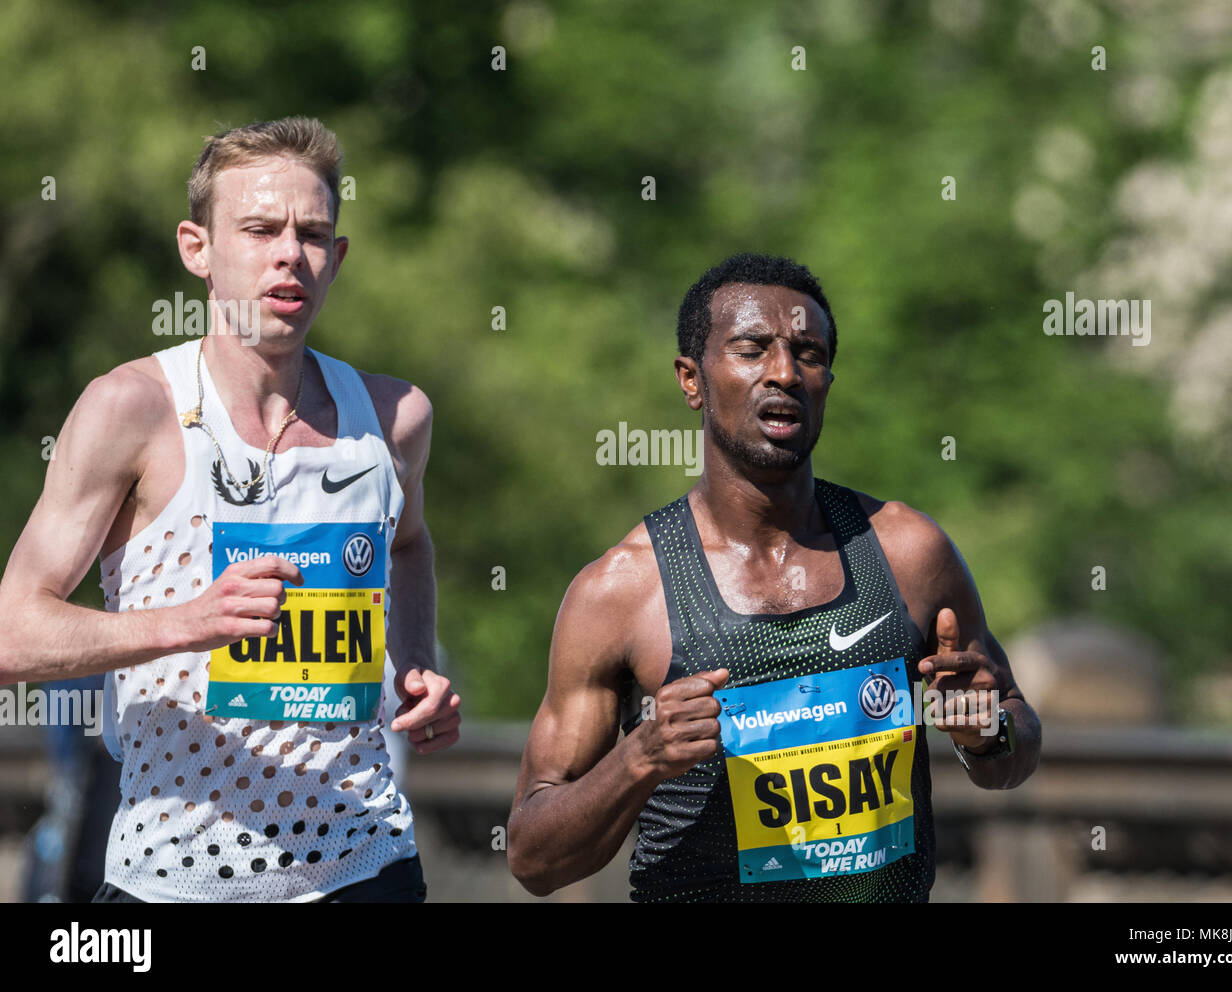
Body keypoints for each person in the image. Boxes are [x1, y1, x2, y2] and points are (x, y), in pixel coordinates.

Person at [0, 117, 460, 902]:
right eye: (259, 229)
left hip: (365, 863)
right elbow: (13, 632)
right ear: (197, 249)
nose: (290, 253)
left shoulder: (394, 417)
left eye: (313, 233)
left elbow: (409, 546)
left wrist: (416, 667)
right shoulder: (131, 410)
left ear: (337, 257)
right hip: (175, 877)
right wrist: (188, 623)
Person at [508, 253, 1041, 902]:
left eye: (808, 354)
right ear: (691, 379)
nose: (784, 372)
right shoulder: (621, 591)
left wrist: (986, 732)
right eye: (752, 349)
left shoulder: (909, 552)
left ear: (827, 382)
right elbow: (534, 857)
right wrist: (640, 757)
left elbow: (1011, 753)